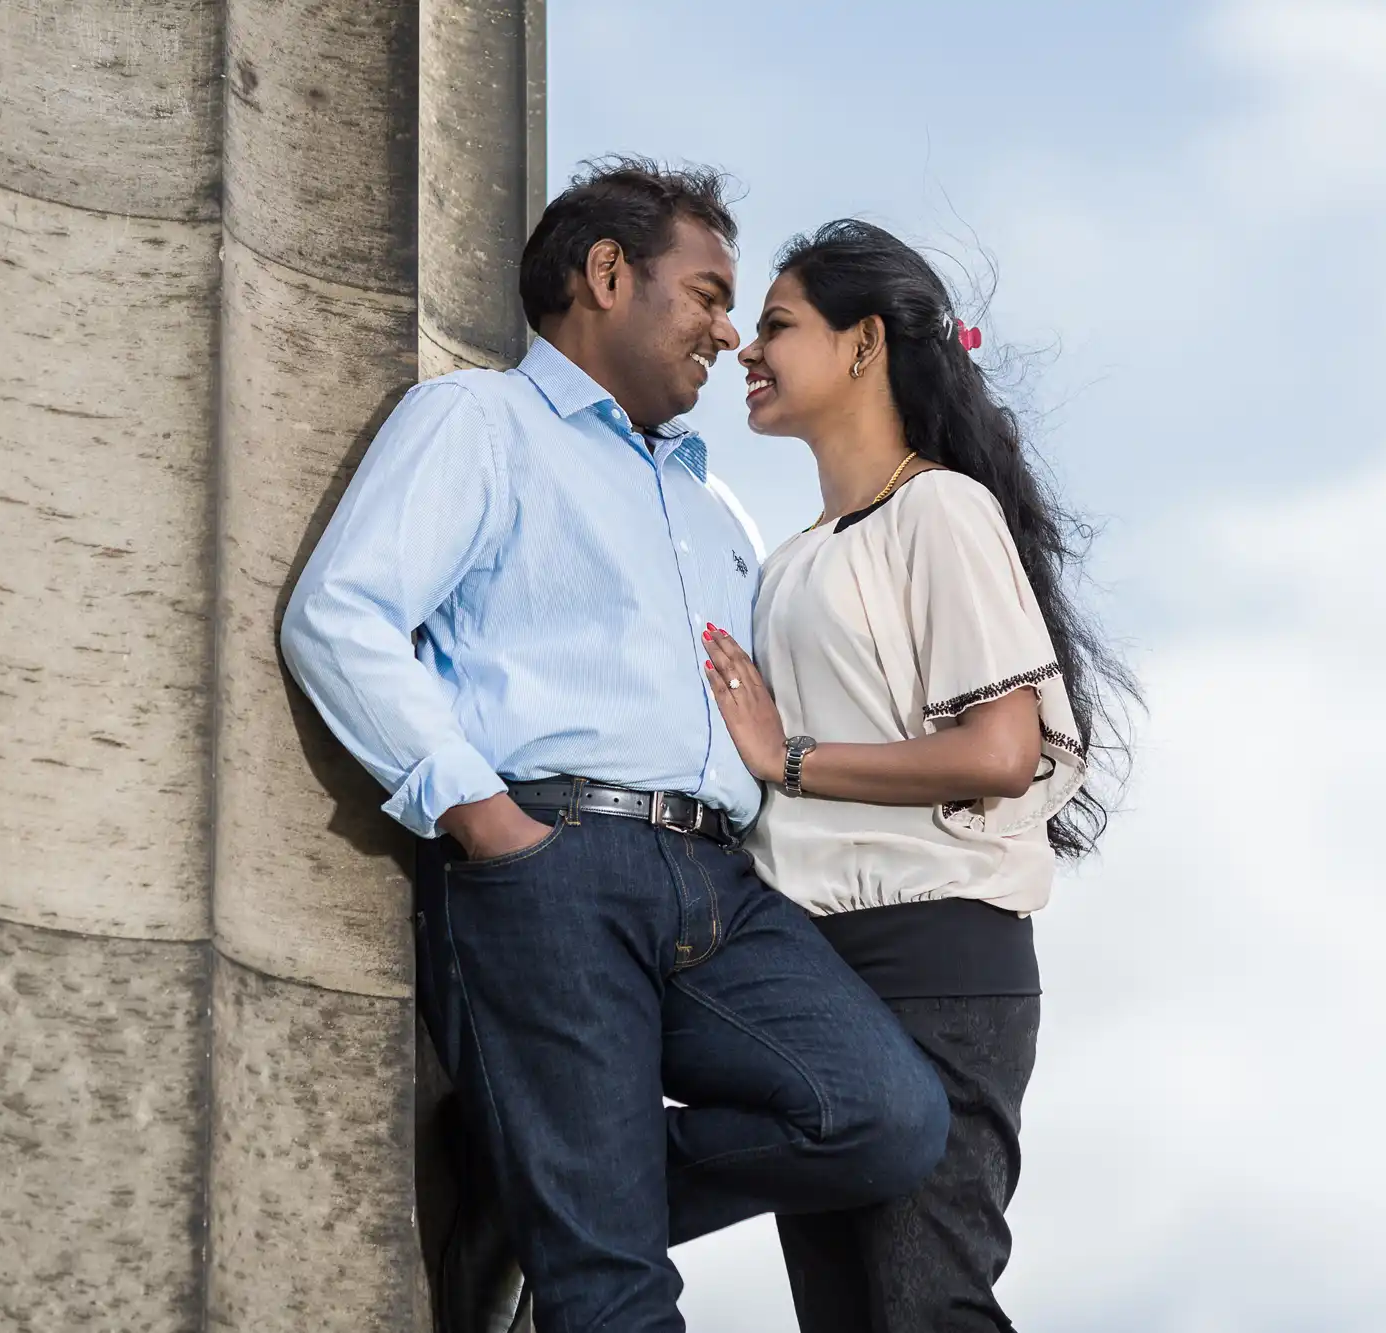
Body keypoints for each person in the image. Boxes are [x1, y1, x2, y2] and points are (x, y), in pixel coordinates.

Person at [279, 162, 951, 1333]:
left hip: (720, 886)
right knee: (615, 1296)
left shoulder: (713, 506)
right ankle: (564, 1194)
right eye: (703, 291)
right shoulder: (479, 421)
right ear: (605, 274)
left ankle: (529, 1179)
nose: (726, 329)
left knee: (883, 1116)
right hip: (553, 866)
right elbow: (340, 614)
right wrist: (486, 821)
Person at [703, 220, 1137, 1332]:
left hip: (937, 960)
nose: (746, 350)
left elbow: (1000, 750)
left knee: (923, 1308)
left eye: (776, 325)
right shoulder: (794, 554)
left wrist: (784, 756)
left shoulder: (938, 509)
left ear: (862, 345)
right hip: (810, 967)